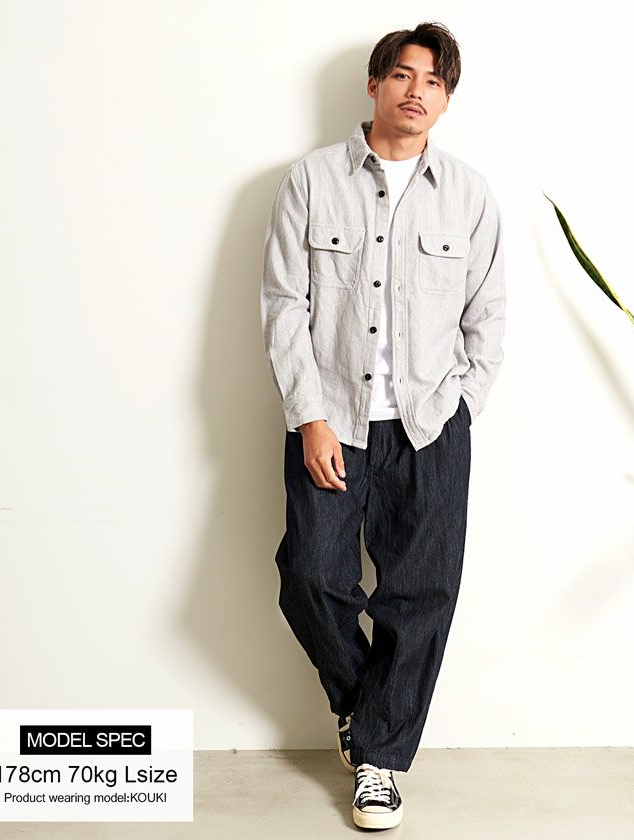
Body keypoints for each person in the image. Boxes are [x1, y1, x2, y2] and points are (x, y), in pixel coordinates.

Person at [260, 21, 505, 830]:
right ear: (375, 84)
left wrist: (460, 407)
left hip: (429, 427)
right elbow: (284, 306)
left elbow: (488, 316)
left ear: (447, 98)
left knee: (421, 595)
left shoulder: (469, 195)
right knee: (310, 575)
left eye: (434, 81)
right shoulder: (311, 180)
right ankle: (368, 708)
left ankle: (379, 762)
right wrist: (310, 416)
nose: (416, 91)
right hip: (332, 417)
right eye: (403, 74)